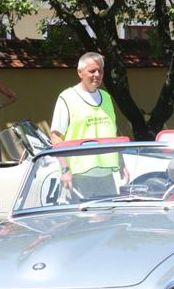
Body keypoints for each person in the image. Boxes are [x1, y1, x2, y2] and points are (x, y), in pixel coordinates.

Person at [50, 52, 128, 197]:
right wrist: (65, 169)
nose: (97, 74)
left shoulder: (106, 97)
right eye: (92, 71)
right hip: (79, 174)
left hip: (106, 173)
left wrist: (122, 164)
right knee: (84, 219)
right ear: (80, 73)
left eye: (100, 70)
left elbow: (113, 134)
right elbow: (55, 137)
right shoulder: (67, 97)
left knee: (109, 217)